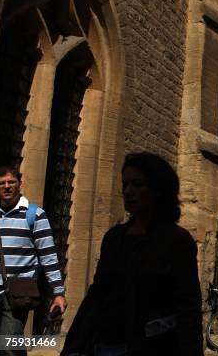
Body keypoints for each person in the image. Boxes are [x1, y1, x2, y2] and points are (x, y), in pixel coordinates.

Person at [62, 152, 202, 356]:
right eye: (125, 184)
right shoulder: (114, 237)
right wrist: (74, 344)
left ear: (157, 190)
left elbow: (188, 309)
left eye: (137, 184)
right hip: (105, 344)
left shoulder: (177, 241)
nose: (128, 191)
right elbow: (97, 294)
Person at [0, 166, 67, 355]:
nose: (7, 187)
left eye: (11, 182)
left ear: (20, 184)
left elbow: (48, 256)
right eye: (1, 183)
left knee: (8, 347)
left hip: (14, 294)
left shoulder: (34, 214)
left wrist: (58, 292)